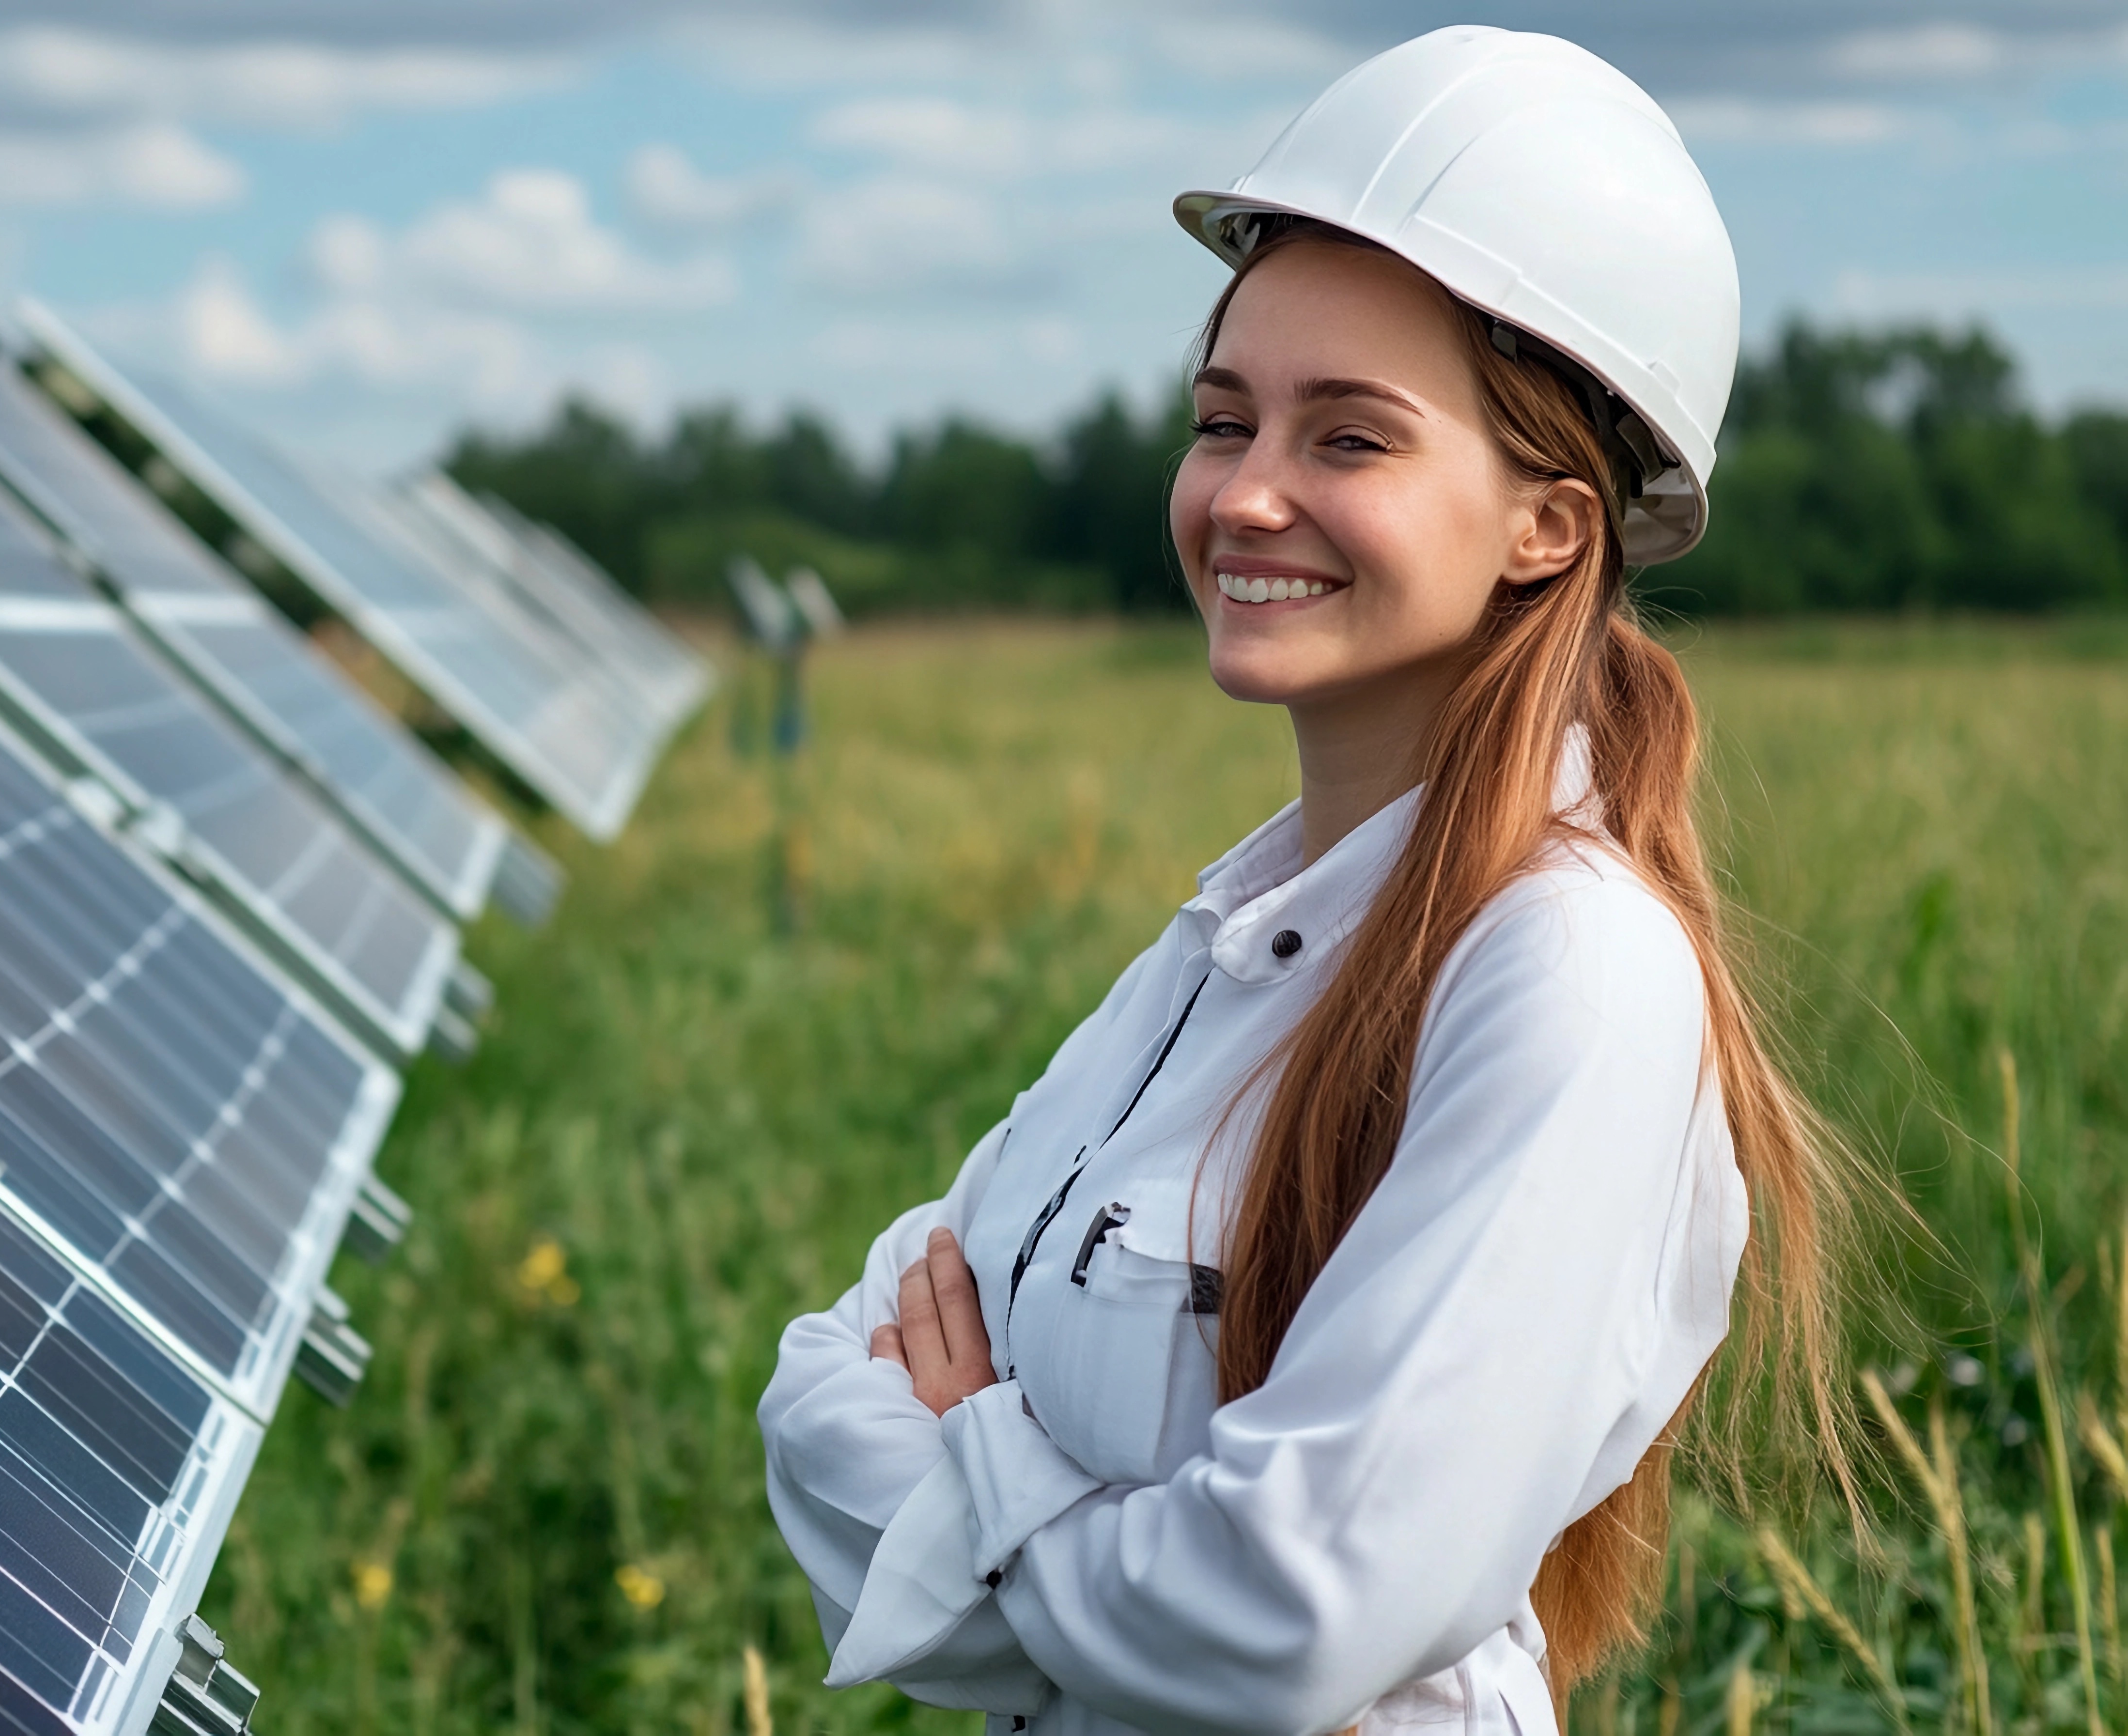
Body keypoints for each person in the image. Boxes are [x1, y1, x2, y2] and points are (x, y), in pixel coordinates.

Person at [758, 26, 1861, 1736]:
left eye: (1350, 439)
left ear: (1547, 527)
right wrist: (1105, 1581)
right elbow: (823, 1381)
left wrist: (982, 1467)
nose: (1247, 493)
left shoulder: (1566, 975)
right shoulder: (1225, 949)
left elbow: (1289, 1614)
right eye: (1225, 419)